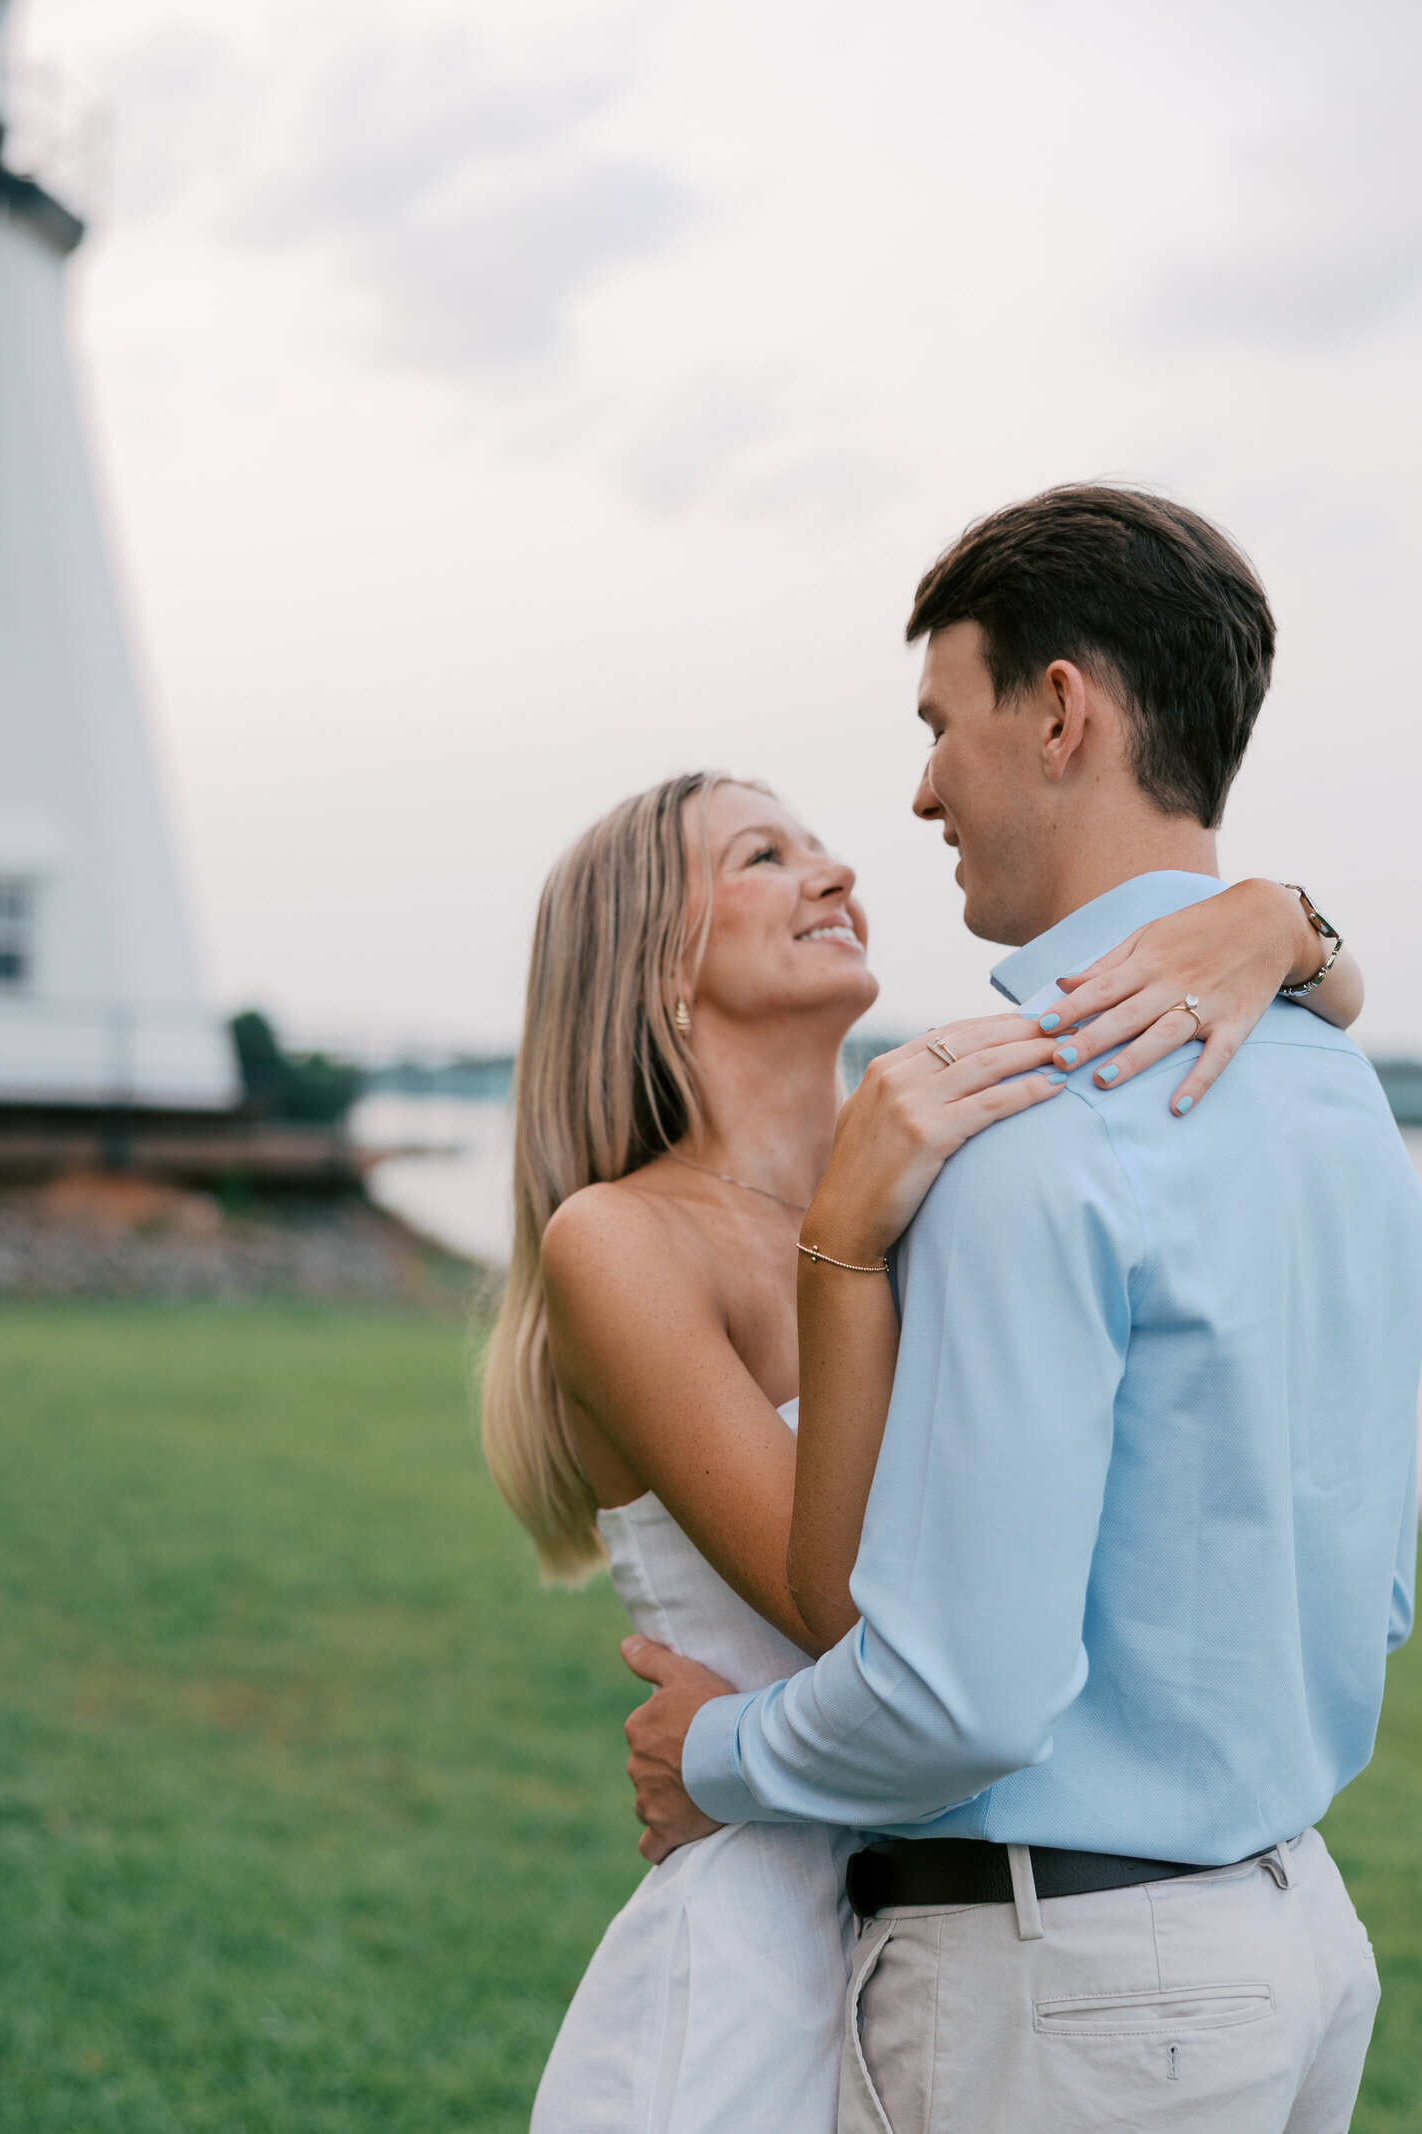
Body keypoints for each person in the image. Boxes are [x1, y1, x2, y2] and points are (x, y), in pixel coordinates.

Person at [622, 486, 1422, 2134]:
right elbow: (1382, 1582)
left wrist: (710, 1752)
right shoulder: (1343, 1092)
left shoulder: (1020, 1129)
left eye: (940, 723)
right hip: (1298, 1941)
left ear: (1060, 713)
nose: (921, 790)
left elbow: (961, 1695)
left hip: (1075, 2004)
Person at [482, 751, 1368, 2126]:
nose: (834, 870)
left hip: (966, 1903)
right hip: (775, 1928)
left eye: (816, 845)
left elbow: (1273, 1005)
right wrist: (843, 1243)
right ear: (654, 961)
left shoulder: (942, 1156)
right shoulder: (619, 1240)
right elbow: (853, 1610)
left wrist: (1280, 919)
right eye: (763, 856)